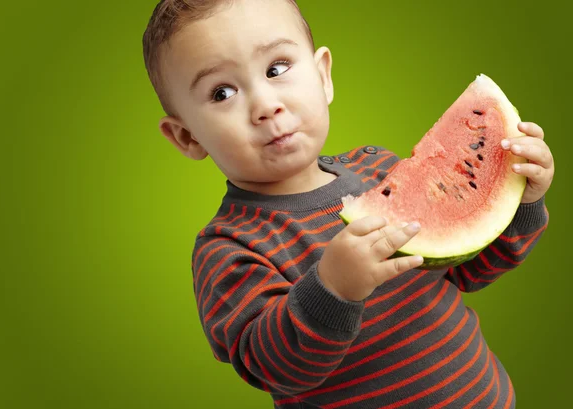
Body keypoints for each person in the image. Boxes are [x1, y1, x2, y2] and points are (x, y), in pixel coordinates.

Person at [142, 0, 554, 407]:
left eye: (277, 68)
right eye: (222, 92)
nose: (266, 107)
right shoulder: (228, 247)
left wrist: (522, 200)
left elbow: (472, 270)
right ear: (187, 137)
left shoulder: (378, 167)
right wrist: (332, 289)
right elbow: (272, 370)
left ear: (323, 76)